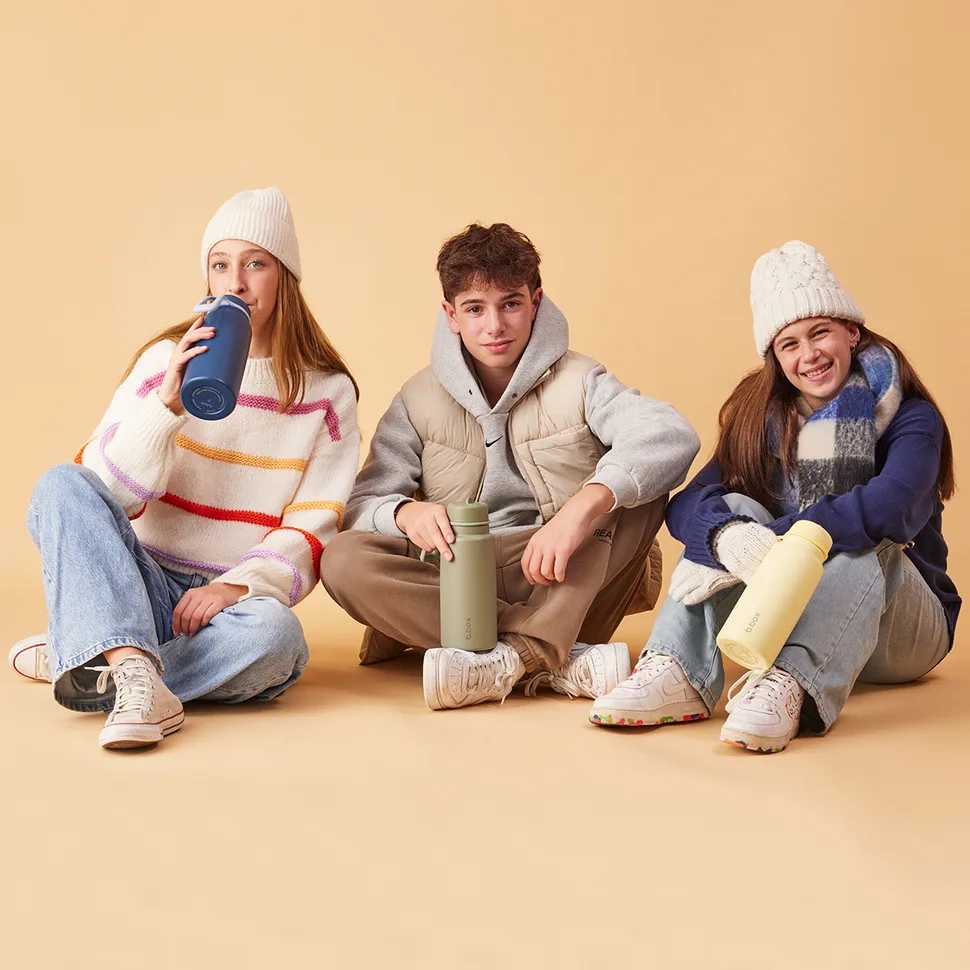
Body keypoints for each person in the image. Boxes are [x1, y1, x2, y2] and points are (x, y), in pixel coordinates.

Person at [8, 187, 360, 750]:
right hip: (137, 581)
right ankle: (125, 660)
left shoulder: (327, 392)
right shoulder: (164, 361)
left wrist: (234, 587)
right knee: (60, 483)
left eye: (256, 264)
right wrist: (165, 407)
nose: (235, 283)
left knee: (279, 640)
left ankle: (97, 653)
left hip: (227, 607)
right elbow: (103, 493)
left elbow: (313, 524)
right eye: (220, 265)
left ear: (285, 277)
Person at [590, 240, 960, 752]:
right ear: (775, 358)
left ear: (851, 332)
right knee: (731, 512)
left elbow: (891, 507)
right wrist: (726, 537)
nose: (809, 355)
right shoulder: (761, 419)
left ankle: (791, 685)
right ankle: (677, 669)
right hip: (795, 612)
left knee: (859, 538)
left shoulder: (911, 416)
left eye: (820, 332)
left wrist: (778, 540)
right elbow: (688, 502)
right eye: (789, 344)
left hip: (903, 631)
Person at [321, 222, 700, 710]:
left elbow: (670, 435)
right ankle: (550, 655)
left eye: (510, 304)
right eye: (475, 309)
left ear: (536, 302)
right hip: (455, 578)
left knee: (638, 488)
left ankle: (506, 660)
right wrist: (403, 513)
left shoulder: (582, 379)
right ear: (451, 315)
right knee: (341, 559)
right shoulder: (416, 398)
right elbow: (360, 506)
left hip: (561, 573)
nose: (495, 326)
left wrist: (580, 509)